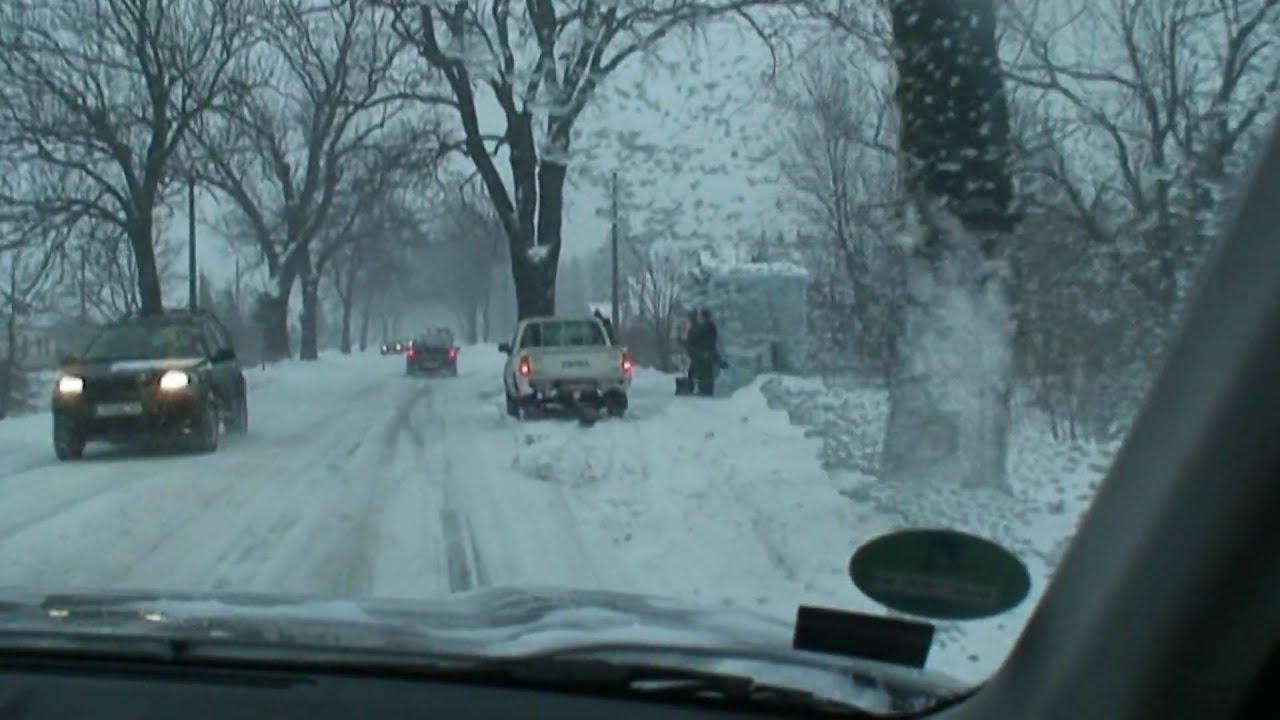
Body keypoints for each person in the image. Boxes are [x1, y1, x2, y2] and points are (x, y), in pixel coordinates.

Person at [687, 308, 720, 396]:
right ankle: (706, 391)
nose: (699, 319)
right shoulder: (711, 327)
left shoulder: (705, 326)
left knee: (701, 373)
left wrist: (691, 328)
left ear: (703, 317)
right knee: (705, 374)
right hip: (708, 354)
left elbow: (693, 338)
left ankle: (703, 392)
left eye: (700, 317)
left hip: (704, 355)